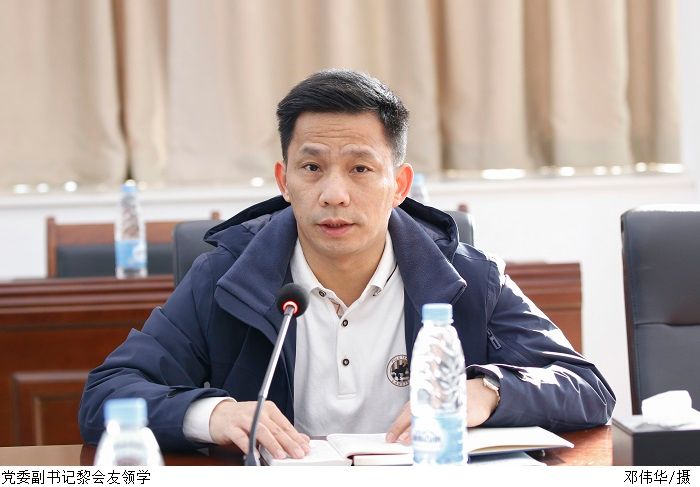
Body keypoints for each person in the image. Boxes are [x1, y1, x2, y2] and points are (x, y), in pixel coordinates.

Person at [79, 69, 615, 460]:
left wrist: (487, 392)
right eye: (312, 167)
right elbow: (107, 393)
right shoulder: (228, 277)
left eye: (360, 168)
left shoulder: (467, 277)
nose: (334, 193)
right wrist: (215, 415)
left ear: (399, 185)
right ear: (284, 180)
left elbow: (587, 387)